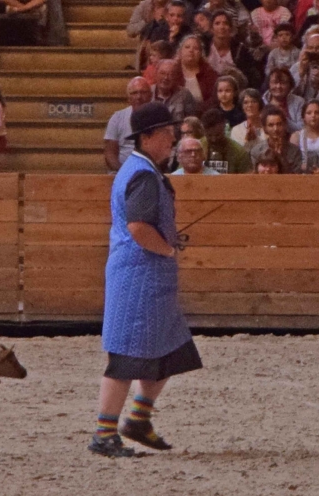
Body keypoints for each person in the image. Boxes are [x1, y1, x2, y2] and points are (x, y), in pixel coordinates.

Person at [88, 101, 203, 459]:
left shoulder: (139, 170)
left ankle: (137, 419)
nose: (173, 139)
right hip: (140, 278)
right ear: (149, 136)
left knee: (170, 350)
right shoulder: (143, 175)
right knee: (126, 357)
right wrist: (168, 250)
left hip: (147, 279)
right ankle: (104, 433)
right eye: (168, 133)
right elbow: (138, 227)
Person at [105, 77, 152, 172]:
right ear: (128, 99)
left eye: (143, 92)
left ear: (151, 96)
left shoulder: (159, 117)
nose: (139, 97)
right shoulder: (117, 118)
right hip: (121, 171)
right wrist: (124, 172)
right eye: (134, 93)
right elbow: (110, 154)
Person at [250, 105, 302, 173]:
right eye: (271, 125)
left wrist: (281, 157)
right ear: (265, 128)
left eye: (279, 124)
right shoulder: (256, 151)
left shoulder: (295, 152)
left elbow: (296, 178)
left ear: (285, 125)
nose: (276, 129)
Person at [200, 108, 252, 173]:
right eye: (209, 135)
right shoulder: (196, 148)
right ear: (203, 131)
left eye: (218, 135)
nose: (214, 139)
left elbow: (247, 179)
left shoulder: (239, 153)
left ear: (224, 127)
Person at [176, 35, 218, 112]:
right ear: (180, 51)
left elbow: (214, 99)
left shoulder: (210, 74)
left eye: (196, 48)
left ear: (200, 54)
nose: (191, 50)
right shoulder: (173, 71)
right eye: (187, 47)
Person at [263, 67, 305, 132]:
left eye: (283, 83)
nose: (278, 86)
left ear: (290, 85)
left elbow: (303, 129)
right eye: (275, 82)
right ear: (269, 84)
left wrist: (283, 117)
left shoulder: (299, 102)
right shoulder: (261, 102)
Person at [290, 98, 319, 173]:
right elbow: (293, 162)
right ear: (303, 117)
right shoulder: (296, 137)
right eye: (309, 113)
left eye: (317, 113)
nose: (313, 115)